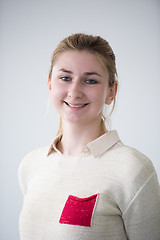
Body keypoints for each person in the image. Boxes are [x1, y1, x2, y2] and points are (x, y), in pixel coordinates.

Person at [18, 33, 160, 240]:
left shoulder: (134, 170)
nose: (74, 92)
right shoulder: (31, 165)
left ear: (112, 92)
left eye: (90, 80)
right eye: (65, 78)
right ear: (50, 84)